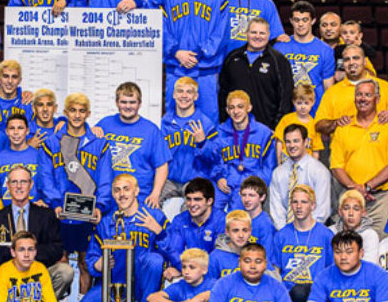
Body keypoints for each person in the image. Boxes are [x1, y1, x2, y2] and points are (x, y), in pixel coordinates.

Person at [38, 93, 111, 293]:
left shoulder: (99, 144)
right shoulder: (52, 143)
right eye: (72, 110)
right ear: (65, 112)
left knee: (85, 263)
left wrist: (100, 205)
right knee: (60, 262)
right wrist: (55, 203)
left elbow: (105, 179)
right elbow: (45, 177)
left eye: (81, 111)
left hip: (88, 213)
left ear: (88, 113)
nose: (77, 115)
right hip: (60, 213)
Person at [75, 174, 167, 302]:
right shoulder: (106, 222)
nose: (122, 194)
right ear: (112, 194)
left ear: (136, 191)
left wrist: (159, 232)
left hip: (142, 285)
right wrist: (98, 265)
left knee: (154, 260)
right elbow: (92, 257)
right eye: (117, 190)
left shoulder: (154, 216)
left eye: (126, 189)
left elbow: (172, 249)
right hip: (112, 285)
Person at [330, 78, 388, 234]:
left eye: (368, 95)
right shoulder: (343, 127)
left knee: (383, 243)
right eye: (359, 94)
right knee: (348, 244)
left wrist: (367, 187)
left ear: (377, 99)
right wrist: (356, 188)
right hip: (350, 198)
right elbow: (336, 167)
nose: (363, 98)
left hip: (382, 199)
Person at [0, 166, 72, 300]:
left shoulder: (46, 214)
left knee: (65, 272)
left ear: (31, 185)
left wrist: (28, 254)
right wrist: (16, 257)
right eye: (14, 182)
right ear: (8, 186)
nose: (19, 186)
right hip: (8, 278)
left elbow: (56, 249)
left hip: (39, 275)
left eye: (23, 182)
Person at [161, 0, 228, 119]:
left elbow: (221, 34)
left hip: (206, 71)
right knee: (173, 120)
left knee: (208, 122)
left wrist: (198, 52)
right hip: (176, 69)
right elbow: (162, 29)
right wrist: (176, 52)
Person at [98, 82, 171, 209]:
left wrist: (155, 193)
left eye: (132, 102)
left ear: (139, 104)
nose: (128, 106)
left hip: (140, 199)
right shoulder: (104, 124)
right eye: (123, 102)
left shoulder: (151, 130)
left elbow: (162, 166)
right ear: (116, 103)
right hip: (108, 198)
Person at [273, 185, 334, 302]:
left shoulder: (326, 235)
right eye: (295, 202)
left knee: (300, 291)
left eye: (304, 202)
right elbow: (275, 271)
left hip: (315, 296)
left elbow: (333, 273)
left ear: (313, 205)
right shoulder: (281, 235)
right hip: (288, 297)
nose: (299, 206)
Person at [218, 17, 294, 130]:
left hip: (268, 129)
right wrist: (225, 122)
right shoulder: (232, 58)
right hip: (235, 127)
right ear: (246, 33)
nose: (257, 36)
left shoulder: (279, 61)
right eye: (253, 32)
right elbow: (223, 93)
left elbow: (286, 98)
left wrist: (277, 128)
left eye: (262, 33)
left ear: (268, 35)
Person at [315, 45, 388, 136]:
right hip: (344, 144)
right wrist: (336, 123)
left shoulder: (385, 87)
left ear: (365, 62)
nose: (351, 62)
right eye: (347, 59)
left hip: (379, 144)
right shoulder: (332, 92)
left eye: (356, 58)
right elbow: (319, 125)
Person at [211, 90, 275, 211]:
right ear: (227, 110)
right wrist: (218, 177)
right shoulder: (219, 132)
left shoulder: (264, 133)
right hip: (225, 183)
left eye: (240, 107)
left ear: (249, 108)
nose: (236, 111)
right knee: (209, 210)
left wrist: (255, 185)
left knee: (238, 216)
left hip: (249, 186)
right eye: (232, 108)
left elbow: (269, 167)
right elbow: (214, 160)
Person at [159, 77, 216, 206]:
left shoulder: (205, 123)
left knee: (193, 208)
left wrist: (203, 143)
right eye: (180, 91)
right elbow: (158, 156)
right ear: (174, 94)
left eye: (189, 92)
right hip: (169, 180)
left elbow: (214, 159)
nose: (184, 95)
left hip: (195, 180)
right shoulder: (164, 123)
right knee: (152, 203)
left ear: (196, 96)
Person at [273, 1, 335, 116]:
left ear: (313, 21)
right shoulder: (279, 47)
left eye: (305, 20)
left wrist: (328, 115)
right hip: (287, 113)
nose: (300, 24)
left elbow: (328, 87)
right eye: (296, 20)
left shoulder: (325, 50)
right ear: (291, 21)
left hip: (316, 112)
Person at [269, 123, 332, 230]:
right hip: (284, 232)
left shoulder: (319, 171)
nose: (292, 145)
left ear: (306, 142)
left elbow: (322, 211)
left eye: (296, 141)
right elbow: (277, 211)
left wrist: (304, 232)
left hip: (313, 231)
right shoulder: (278, 173)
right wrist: (285, 232)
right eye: (288, 142)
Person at [161, 178, 225, 271]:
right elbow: (174, 251)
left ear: (209, 201)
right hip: (187, 270)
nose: (192, 204)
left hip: (213, 274)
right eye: (188, 199)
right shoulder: (180, 220)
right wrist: (184, 269)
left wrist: (193, 271)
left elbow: (219, 257)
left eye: (197, 199)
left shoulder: (222, 221)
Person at [0, 114, 43, 205]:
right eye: (12, 128)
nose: (16, 132)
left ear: (27, 131)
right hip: (7, 210)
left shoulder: (39, 157)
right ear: (6, 131)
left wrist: (44, 202)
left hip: (34, 210)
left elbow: (46, 186)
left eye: (20, 128)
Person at [273, 84, 323, 164]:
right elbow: (279, 142)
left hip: (305, 164)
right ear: (293, 102)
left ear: (312, 102)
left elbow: (316, 150)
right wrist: (278, 162)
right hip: (286, 161)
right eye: (299, 103)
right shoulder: (286, 120)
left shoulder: (314, 125)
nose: (303, 107)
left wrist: (313, 167)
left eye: (306, 103)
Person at [331, 190, 380, 264]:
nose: (351, 213)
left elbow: (369, 266)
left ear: (363, 212)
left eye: (356, 209)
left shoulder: (370, 235)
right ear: (340, 212)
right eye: (346, 208)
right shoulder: (330, 232)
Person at [208, 210, 256, 279]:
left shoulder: (257, 254)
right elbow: (209, 284)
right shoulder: (215, 258)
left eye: (245, 230)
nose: (241, 235)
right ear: (227, 232)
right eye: (235, 230)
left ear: (250, 232)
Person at [0, 60, 33, 132]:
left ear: (20, 80)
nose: (10, 81)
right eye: (6, 76)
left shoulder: (26, 103)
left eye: (14, 77)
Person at [238, 176, 277, 258]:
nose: (246, 199)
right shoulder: (238, 219)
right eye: (244, 195)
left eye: (251, 195)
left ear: (262, 197)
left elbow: (267, 257)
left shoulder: (265, 224)